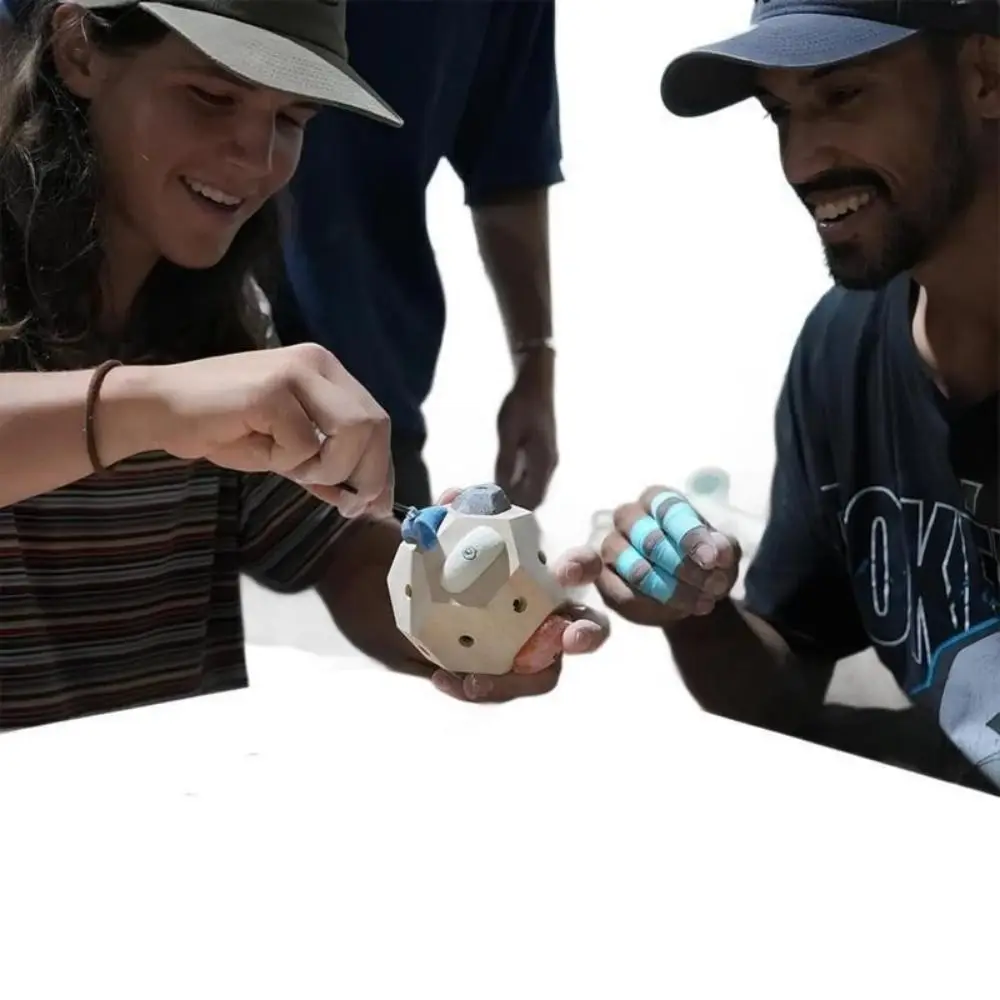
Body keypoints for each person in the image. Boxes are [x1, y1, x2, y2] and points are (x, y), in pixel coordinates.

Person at [0, 0, 608, 731]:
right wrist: (152, 405)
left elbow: (342, 551)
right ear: (79, 50)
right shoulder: (187, 381)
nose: (257, 158)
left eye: (292, 118)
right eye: (212, 95)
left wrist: (468, 605)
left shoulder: (227, 325)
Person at [592, 0, 1000, 792]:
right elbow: (785, 689)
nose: (803, 160)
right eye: (780, 112)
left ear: (985, 73)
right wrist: (695, 610)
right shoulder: (840, 349)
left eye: (843, 95)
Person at [269, 0, 562, 513]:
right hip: (156, 350)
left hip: (365, 383)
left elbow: (510, 164)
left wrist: (535, 366)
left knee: (414, 586)